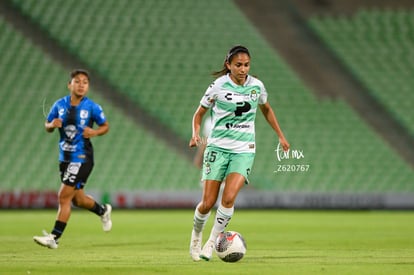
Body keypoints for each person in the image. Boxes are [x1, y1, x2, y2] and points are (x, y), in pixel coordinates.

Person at [188, 45, 290, 261]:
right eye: (238, 65)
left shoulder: (257, 87)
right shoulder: (217, 86)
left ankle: (210, 243)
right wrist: (195, 134)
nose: (243, 69)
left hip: (244, 150)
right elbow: (198, 114)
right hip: (217, 147)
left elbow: (267, 109)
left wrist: (280, 135)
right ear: (228, 65)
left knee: (229, 197)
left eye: (246, 65)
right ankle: (196, 236)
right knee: (207, 202)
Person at [33, 69, 112, 249]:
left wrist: (95, 132)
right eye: (77, 81)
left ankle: (54, 237)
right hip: (65, 158)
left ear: (88, 87)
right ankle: (103, 210)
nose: (81, 85)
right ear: (70, 85)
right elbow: (48, 125)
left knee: (63, 196)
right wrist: (51, 125)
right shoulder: (59, 105)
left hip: (82, 157)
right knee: (77, 199)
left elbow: (105, 126)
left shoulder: (92, 107)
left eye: (85, 82)